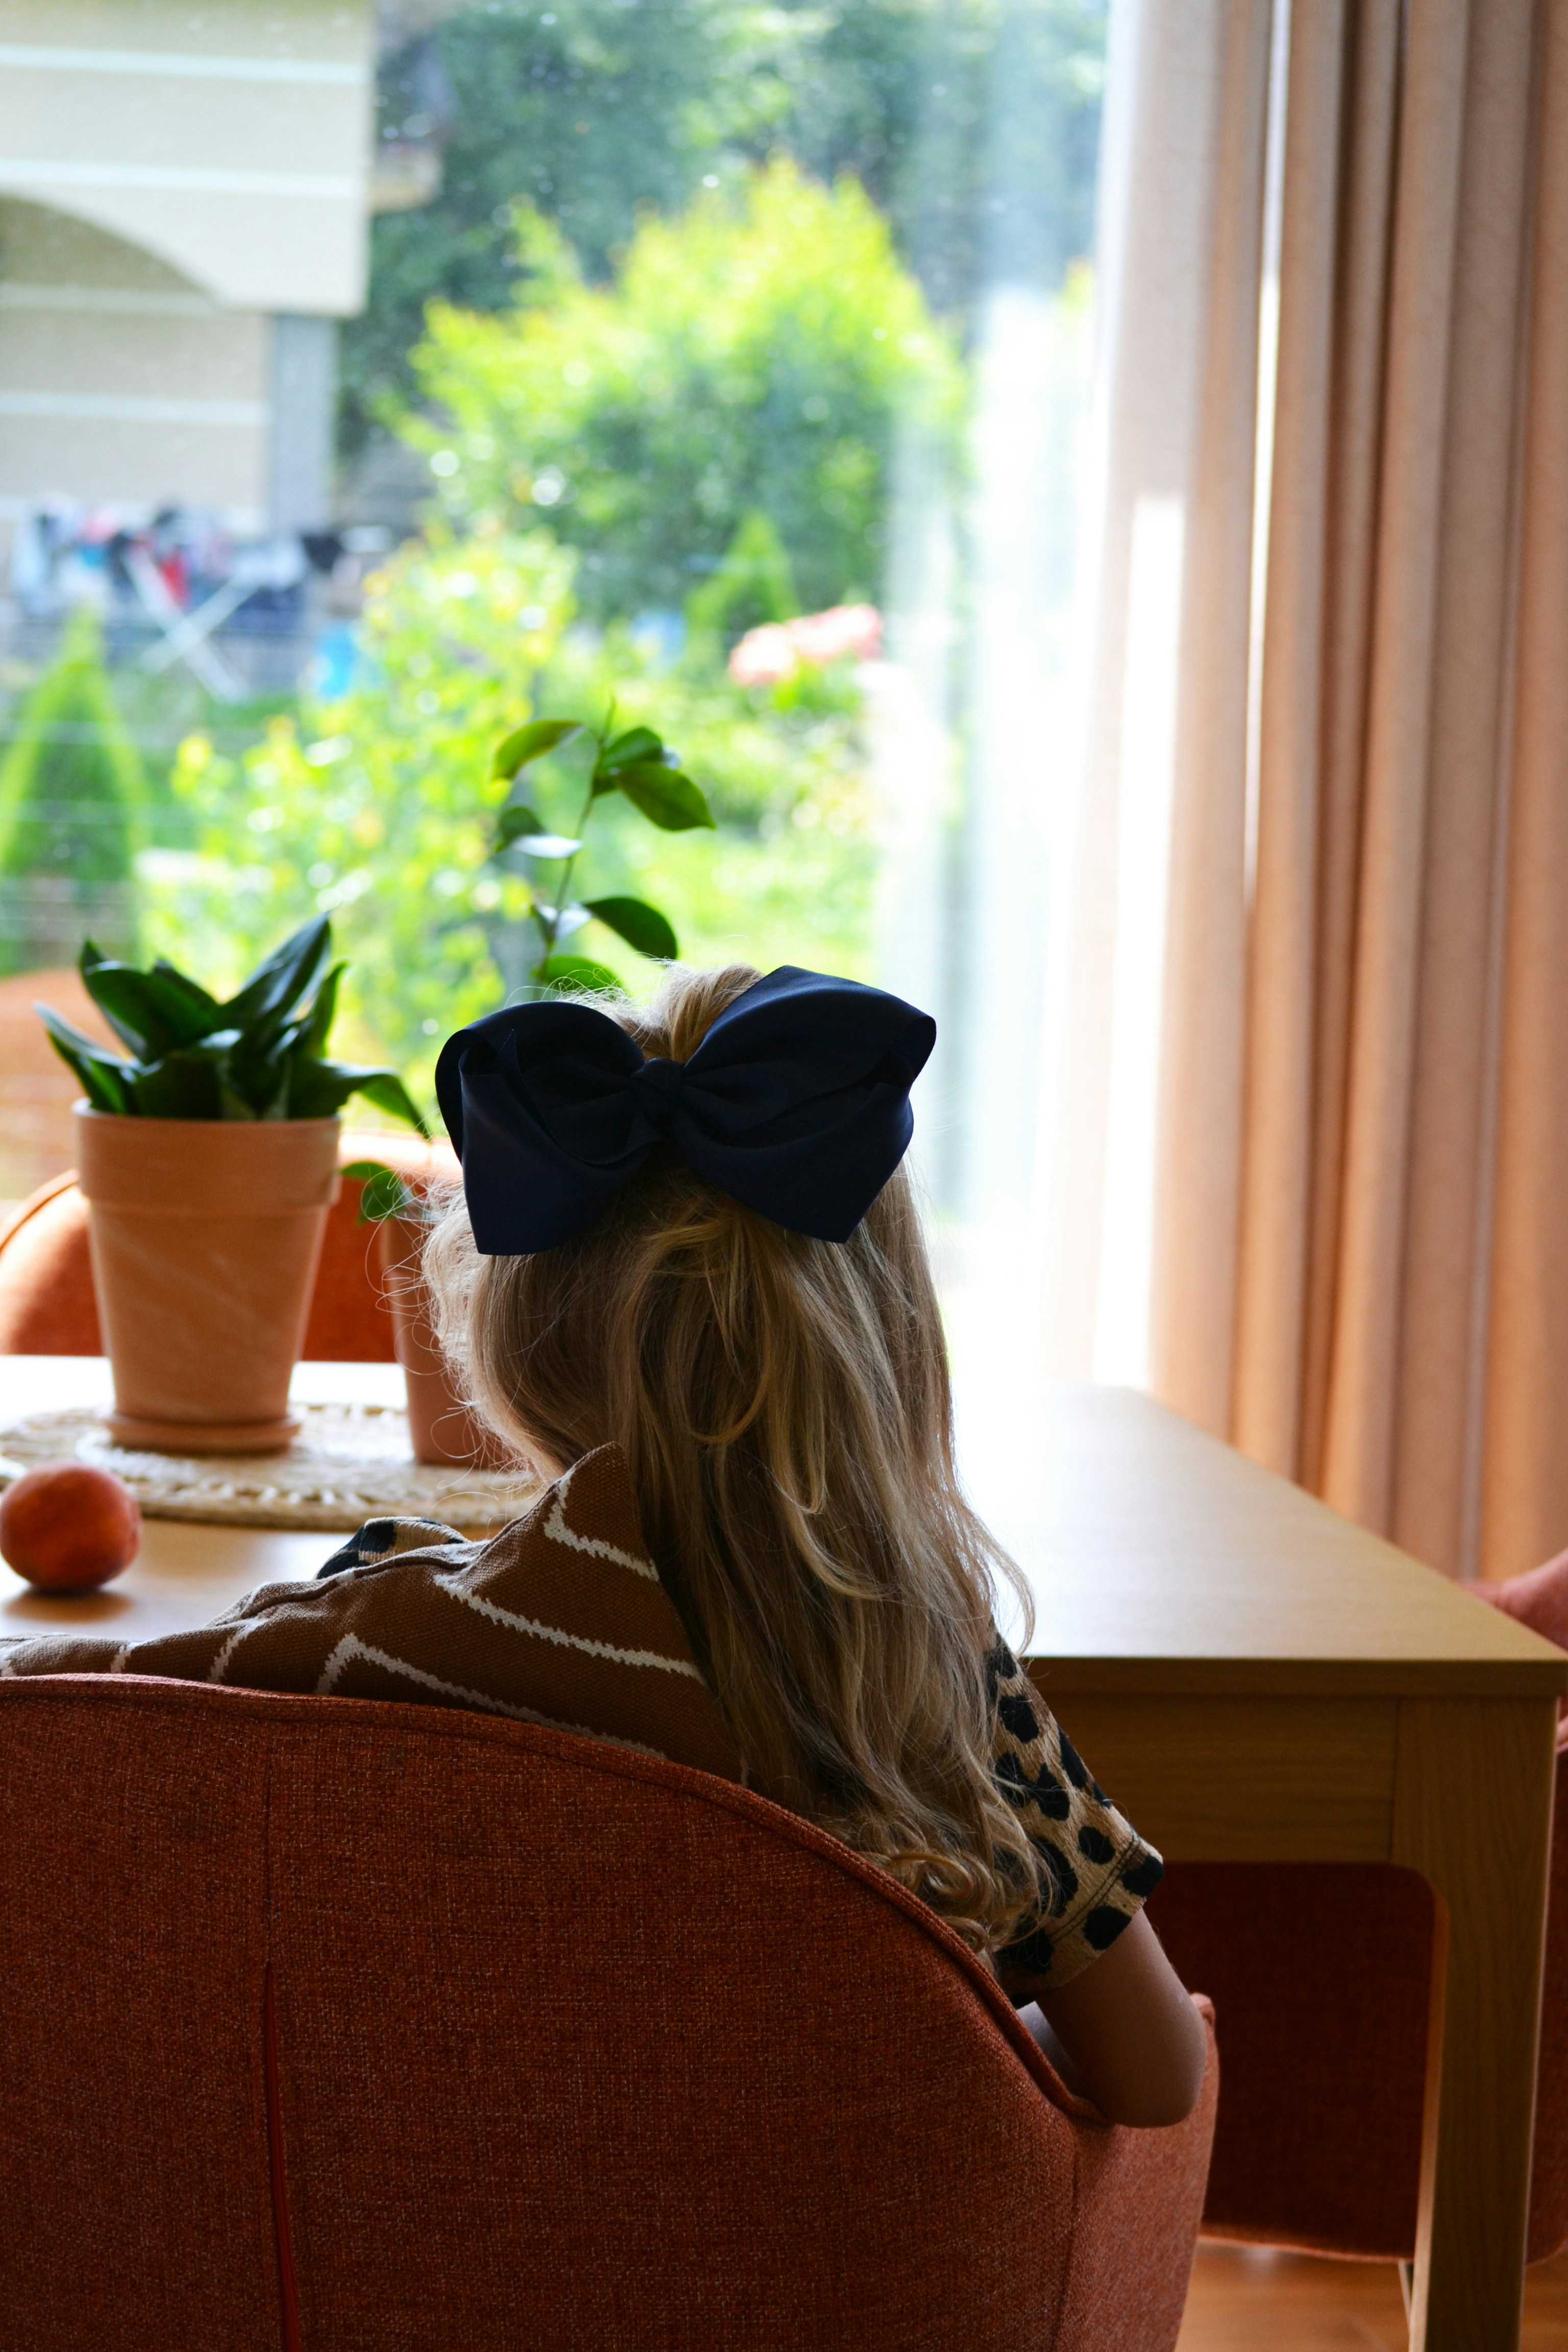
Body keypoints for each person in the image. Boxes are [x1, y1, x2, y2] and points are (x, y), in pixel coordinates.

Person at [0, 962, 1206, 2127]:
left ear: (520, 1333)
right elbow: (1157, 2080)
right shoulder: (926, 1679)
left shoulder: (376, 1638)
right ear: (886, 1343)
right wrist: (955, 2068)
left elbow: (62, 1724)